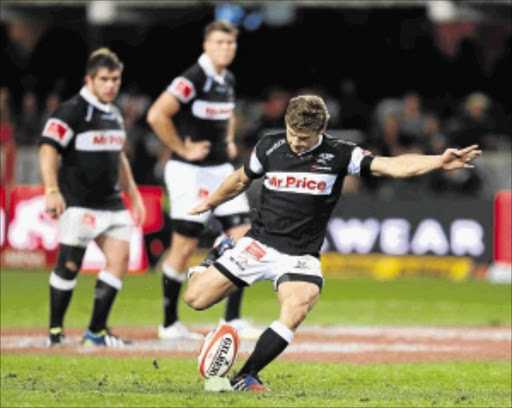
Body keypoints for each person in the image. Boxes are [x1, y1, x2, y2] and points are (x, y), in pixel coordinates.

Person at [183, 95, 482, 391]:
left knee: (296, 308)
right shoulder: (269, 147)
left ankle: (245, 376)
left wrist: (438, 160)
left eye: (303, 137)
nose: (296, 142)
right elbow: (239, 179)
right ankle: (219, 252)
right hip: (259, 244)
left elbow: (394, 166)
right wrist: (211, 202)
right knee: (195, 300)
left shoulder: (341, 154)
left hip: (300, 255)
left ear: (321, 130)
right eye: (291, 133)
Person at [147, 20, 261, 340]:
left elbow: (228, 112)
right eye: (220, 43)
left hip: (220, 170)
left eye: (231, 43)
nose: (227, 48)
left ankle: (233, 319)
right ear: (206, 46)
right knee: (183, 247)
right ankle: (169, 323)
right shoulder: (192, 79)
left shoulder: (227, 79)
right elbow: (157, 114)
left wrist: (228, 138)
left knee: (243, 239)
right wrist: (181, 147)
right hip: (189, 171)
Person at [39, 48, 146, 347]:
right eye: (104, 79)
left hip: (112, 203)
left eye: (115, 79)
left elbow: (119, 157)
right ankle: (55, 333)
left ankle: (96, 331)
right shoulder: (71, 111)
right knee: (69, 266)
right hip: (79, 202)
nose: (111, 85)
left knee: (119, 260)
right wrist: (51, 190)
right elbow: (48, 148)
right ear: (89, 79)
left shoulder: (114, 114)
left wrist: (134, 194)